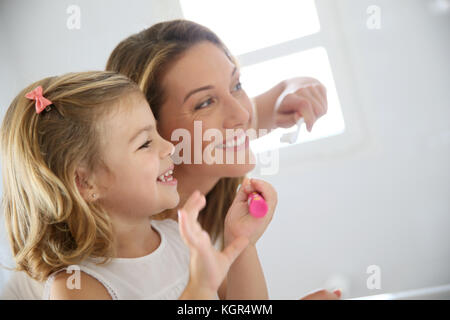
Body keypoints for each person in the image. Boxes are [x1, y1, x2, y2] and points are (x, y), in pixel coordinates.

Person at [106, 19, 339, 299]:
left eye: (236, 84)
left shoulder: (215, 150)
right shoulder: (134, 246)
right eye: (205, 103)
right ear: (151, 129)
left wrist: (298, 91)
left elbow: (283, 94)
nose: (241, 114)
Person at [0, 71, 277, 299]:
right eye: (145, 142)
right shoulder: (77, 287)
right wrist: (200, 290)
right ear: (84, 182)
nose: (168, 145)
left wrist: (241, 243)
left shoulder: (178, 238)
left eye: (156, 132)